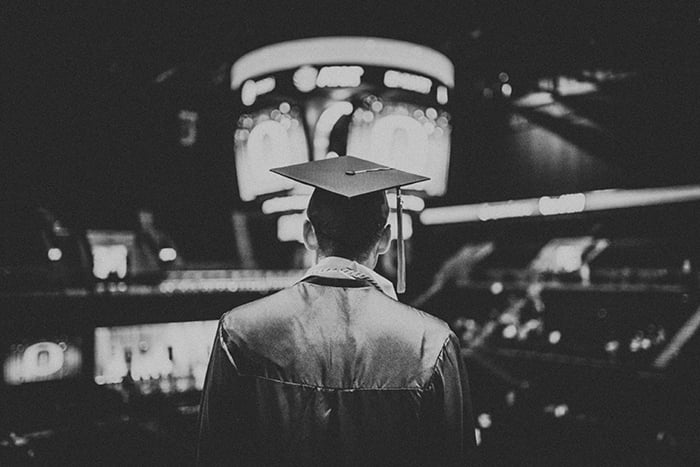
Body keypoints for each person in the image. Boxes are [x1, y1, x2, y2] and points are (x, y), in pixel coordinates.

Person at [197, 156, 477, 466]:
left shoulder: (239, 332)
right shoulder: (432, 342)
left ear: (308, 233)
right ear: (385, 239)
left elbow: (215, 453)